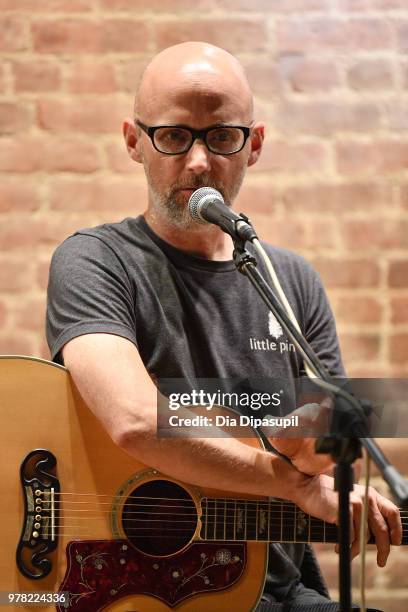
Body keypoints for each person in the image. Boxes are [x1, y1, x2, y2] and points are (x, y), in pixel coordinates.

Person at [46, 42, 401, 611]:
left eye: (221, 137)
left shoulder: (290, 281)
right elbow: (135, 420)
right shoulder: (94, 261)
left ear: (253, 145)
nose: (197, 162)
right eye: (173, 136)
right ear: (134, 140)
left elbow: (318, 445)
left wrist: (312, 455)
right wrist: (288, 479)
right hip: (139, 592)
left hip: (276, 586)